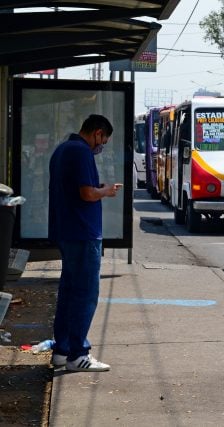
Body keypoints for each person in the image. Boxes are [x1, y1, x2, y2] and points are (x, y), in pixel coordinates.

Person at [48, 114, 121, 372]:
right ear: (97, 132)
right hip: (83, 232)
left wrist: (96, 188)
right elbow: (87, 193)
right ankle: (78, 354)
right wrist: (107, 191)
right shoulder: (81, 152)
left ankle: (62, 349)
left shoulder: (62, 150)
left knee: (69, 292)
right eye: (103, 141)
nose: (101, 146)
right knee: (86, 294)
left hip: (67, 231)